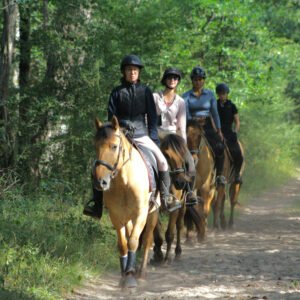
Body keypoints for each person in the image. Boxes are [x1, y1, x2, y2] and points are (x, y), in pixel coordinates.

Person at [83, 55, 181, 219]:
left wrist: (154, 139)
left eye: (135, 70)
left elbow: (152, 117)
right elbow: (111, 115)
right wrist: (120, 126)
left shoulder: (145, 91)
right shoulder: (116, 92)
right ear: (124, 72)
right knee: (97, 165)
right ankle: (97, 204)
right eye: (129, 70)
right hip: (120, 134)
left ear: (139, 73)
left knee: (163, 162)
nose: (132, 72)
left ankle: (165, 198)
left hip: (142, 134)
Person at [153, 67, 198, 206]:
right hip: (157, 133)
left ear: (178, 81)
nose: (172, 80)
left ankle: (190, 192)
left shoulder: (180, 101)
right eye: (170, 77)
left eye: (175, 78)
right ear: (165, 79)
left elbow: (181, 126)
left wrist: (183, 146)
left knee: (190, 163)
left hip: (173, 136)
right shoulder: (155, 97)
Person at [182, 66, 226, 186]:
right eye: (195, 79)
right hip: (192, 126)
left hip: (206, 124)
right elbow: (186, 113)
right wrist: (193, 121)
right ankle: (182, 175)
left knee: (219, 146)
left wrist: (219, 129)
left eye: (200, 79)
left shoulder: (210, 95)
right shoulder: (185, 96)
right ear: (192, 81)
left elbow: (215, 113)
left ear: (203, 80)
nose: (198, 82)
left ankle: (219, 175)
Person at [216, 83, 243, 183]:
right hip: (217, 132)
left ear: (227, 94)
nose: (222, 95)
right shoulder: (214, 105)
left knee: (238, 153)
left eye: (224, 93)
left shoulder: (232, 106)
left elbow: (237, 121)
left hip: (228, 132)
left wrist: (235, 131)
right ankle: (217, 174)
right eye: (220, 93)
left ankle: (237, 174)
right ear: (217, 94)